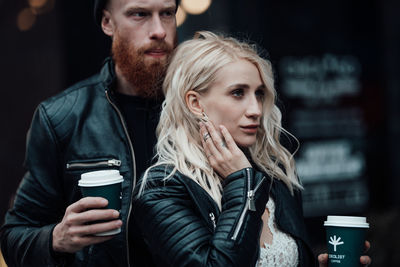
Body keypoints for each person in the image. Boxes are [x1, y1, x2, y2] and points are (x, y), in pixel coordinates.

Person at [130, 31, 372, 267]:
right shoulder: (162, 188)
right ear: (195, 103)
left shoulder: (274, 176)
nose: (255, 109)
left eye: (259, 94)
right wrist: (242, 182)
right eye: (238, 93)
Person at [0, 0, 178, 266]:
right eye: (139, 14)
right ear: (108, 23)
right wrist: (57, 238)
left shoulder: (203, 108)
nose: (159, 30)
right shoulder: (62, 117)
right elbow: (14, 238)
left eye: (167, 14)